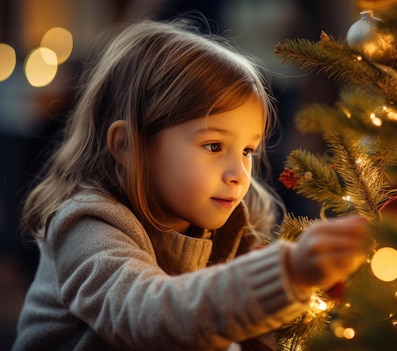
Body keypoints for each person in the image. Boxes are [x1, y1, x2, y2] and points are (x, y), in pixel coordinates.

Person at [12, 18, 369, 351]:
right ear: (128, 146)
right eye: (213, 146)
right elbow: (147, 314)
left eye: (247, 150)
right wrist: (288, 273)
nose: (239, 173)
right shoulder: (88, 227)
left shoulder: (228, 231)